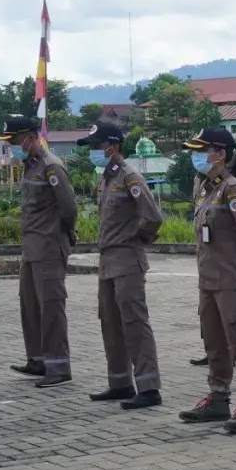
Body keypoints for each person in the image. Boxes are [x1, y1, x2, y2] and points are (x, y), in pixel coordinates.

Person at [177, 127, 236, 434]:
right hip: (209, 279)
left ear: (220, 154)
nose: (196, 155)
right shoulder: (203, 186)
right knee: (214, 343)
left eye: (203, 150)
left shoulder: (232, 189)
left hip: (232, 279)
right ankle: (218, 398)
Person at [78, 122, 165, 409]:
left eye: (96, 146)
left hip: (127, 259)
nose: (93, 151)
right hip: (107, 260)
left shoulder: (130, 176)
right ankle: (120, 383)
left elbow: (152, 217)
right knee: (110, 323)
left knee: (134, 323)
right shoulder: (107, 177)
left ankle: (149, 388)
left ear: (112, 147)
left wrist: (135, 240)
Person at [0, 115, 78, 388]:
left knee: (51, 307)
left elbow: (69, 209)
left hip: (49, 246)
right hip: (31, 247)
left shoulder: (51, 167)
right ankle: (38, 360)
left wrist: (63, 237)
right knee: (29, 305)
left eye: (15, 140)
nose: (12, 145)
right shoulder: (30, 166)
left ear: (31, 138)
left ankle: (58, 366)